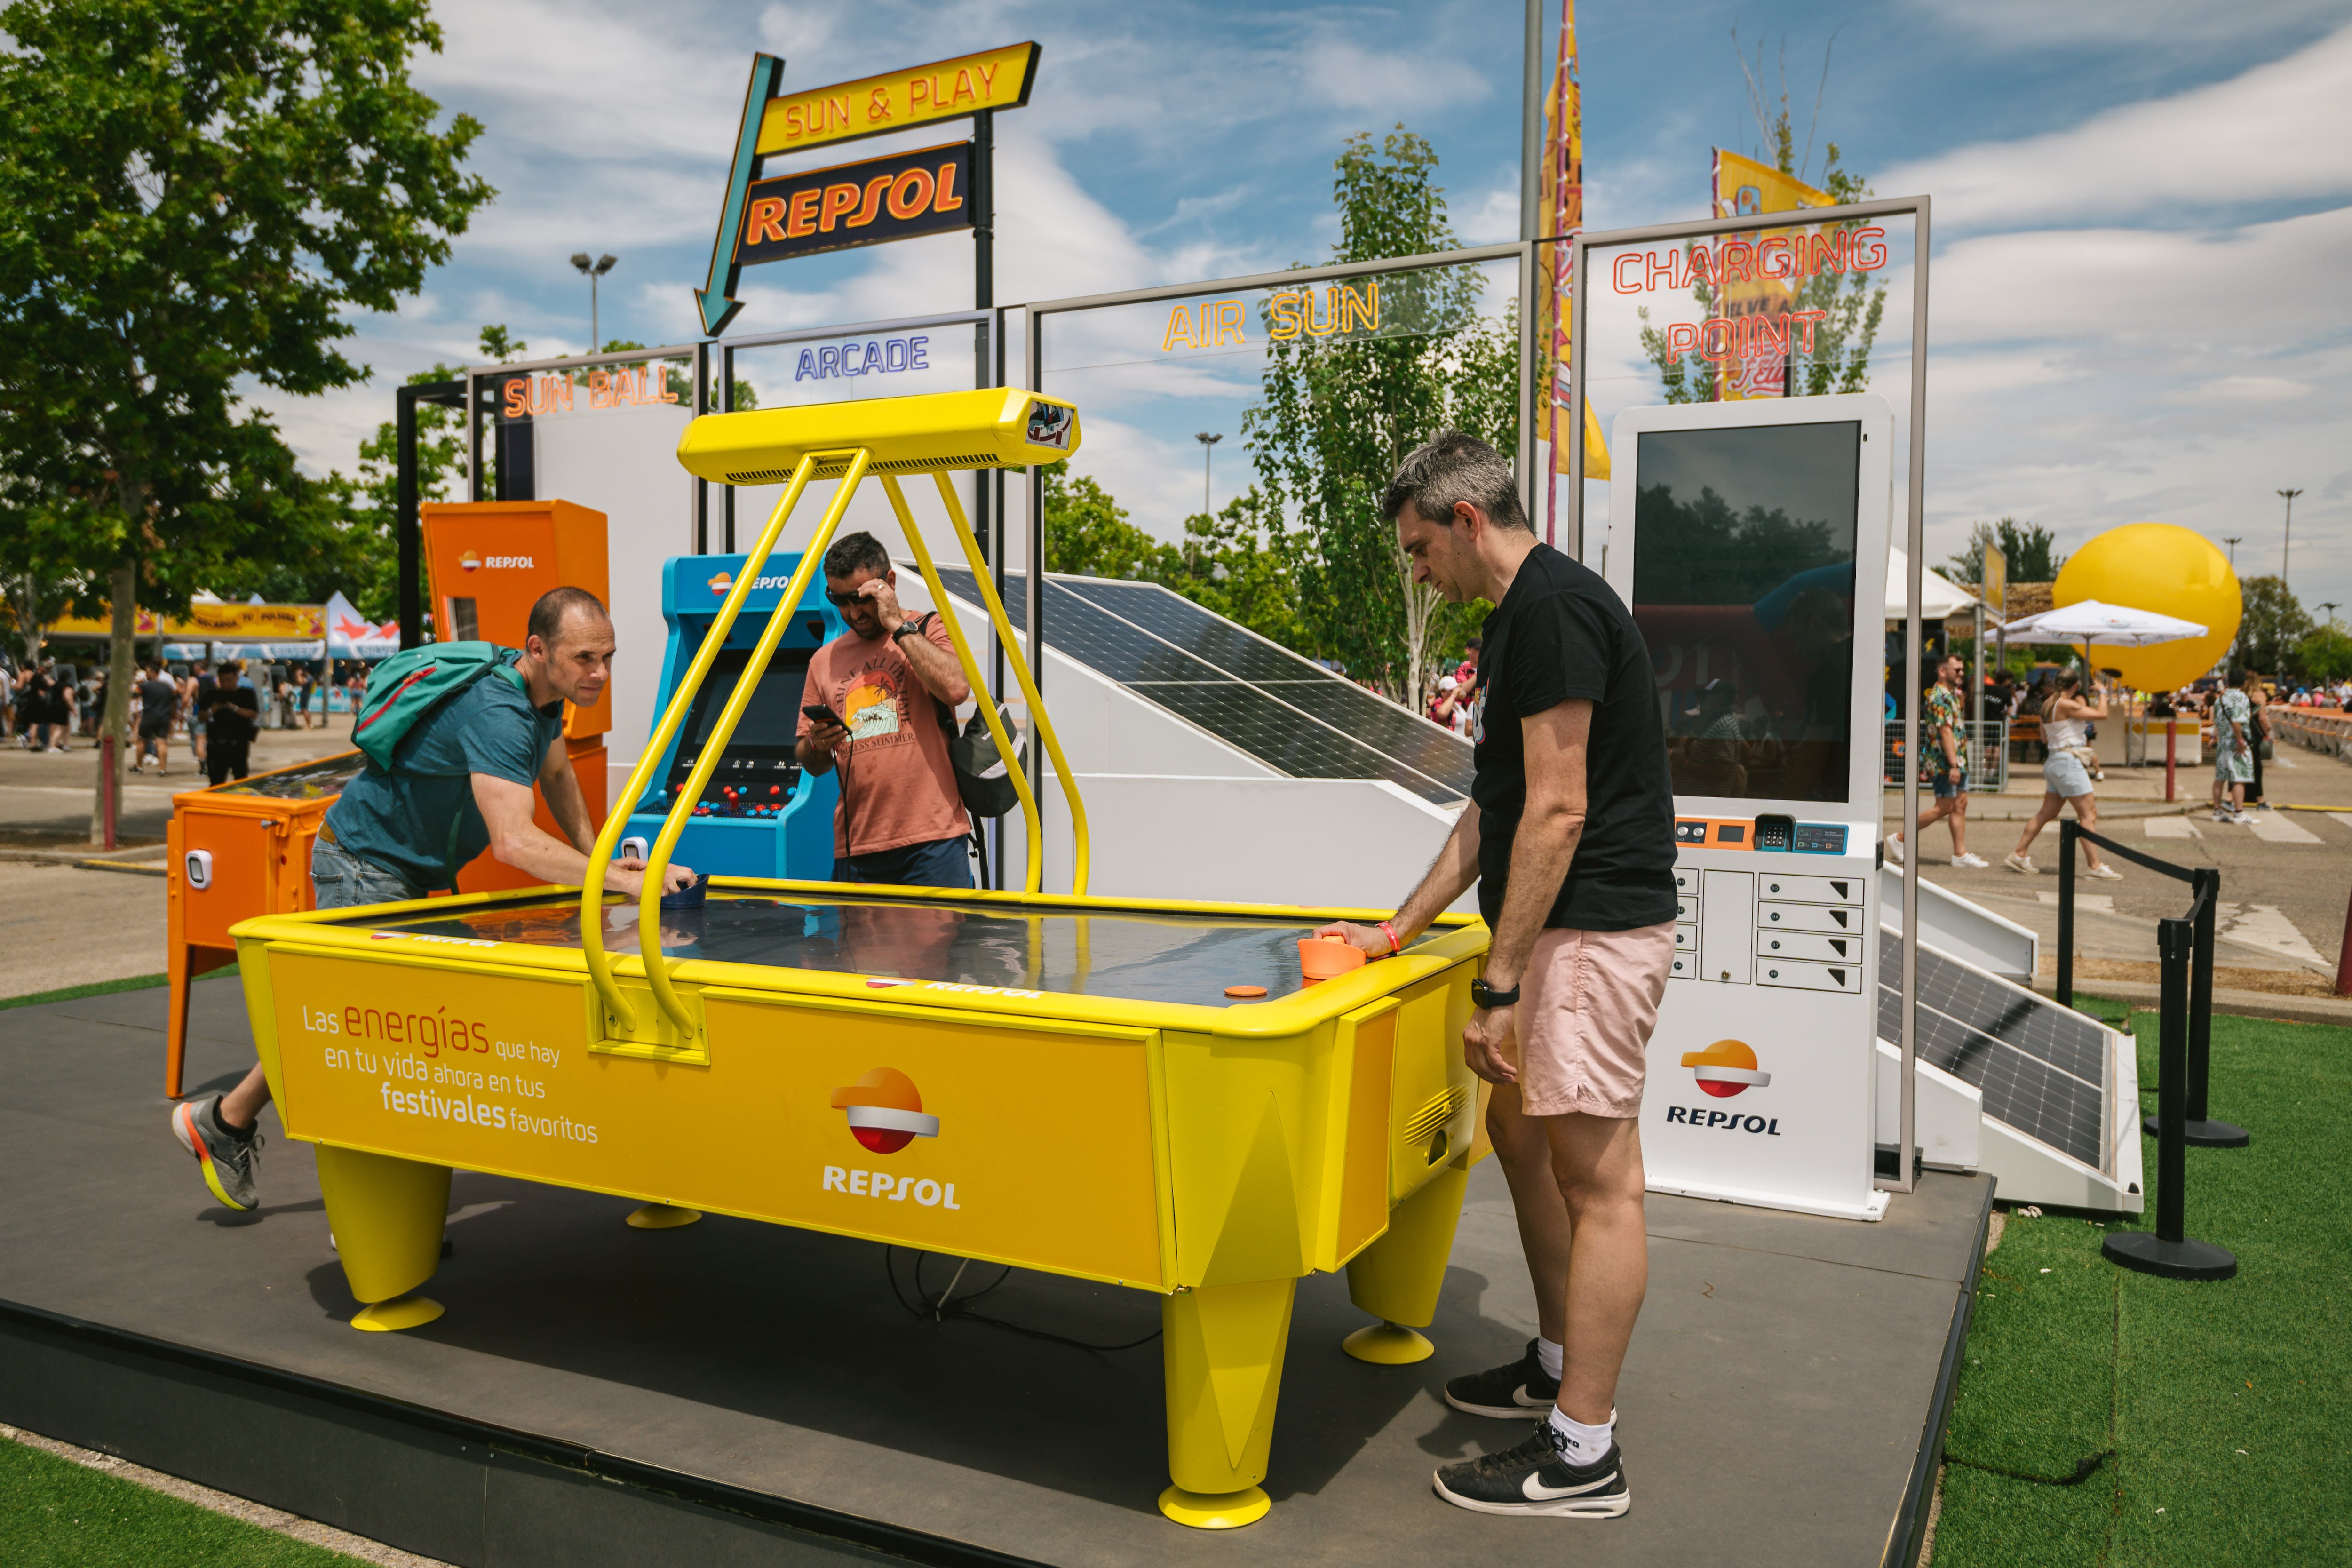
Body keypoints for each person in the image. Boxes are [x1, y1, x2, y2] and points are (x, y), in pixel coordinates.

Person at [1316, 431, 1673, 1520]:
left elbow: (1561, 810)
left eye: (1421, 549)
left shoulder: (1554, 611)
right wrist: (1394, 928)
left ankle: (1582, 1455)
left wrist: (1500, 981)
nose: (1417, 572)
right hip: (1555, 936)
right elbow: (1496, 809)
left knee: (1599, 1183)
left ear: (1467, 519)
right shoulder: (1517, 620)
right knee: (1519, 1135)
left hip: (1592, 934)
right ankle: (1560, 1361)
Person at [172, 588, 695, 1211]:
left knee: (398, 1016)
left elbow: (555, 773)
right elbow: (514, 841)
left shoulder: (542, 695)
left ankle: (225, 1121)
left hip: (408, 875)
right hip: (363, 864)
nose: (600, 673)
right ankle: (371, 1214)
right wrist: (623, 881)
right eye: (586, 657)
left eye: (607, 656)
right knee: (370, 1035)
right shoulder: (499, 708)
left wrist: (606, 858)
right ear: (538, 649)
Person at [794, 532, 975, 888]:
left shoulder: (928, 628)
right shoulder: (823, 661)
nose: (854, 612)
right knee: (860, 946)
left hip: (932, 841)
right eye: (840, 600)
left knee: (943, 945)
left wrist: (896, 624)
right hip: (858, 847)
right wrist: (817, 742)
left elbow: (956, 688)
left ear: (889, 583)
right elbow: (813, 763)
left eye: (863, 598)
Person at [2003, 671, 2121, 880]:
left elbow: (2044, 738)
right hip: (2068, 762)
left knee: (2046, 813)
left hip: (2055, 760)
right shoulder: (2065, 704)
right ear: (2075, 686)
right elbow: (2102, 714)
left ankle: (2018, 853)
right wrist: (2102, 691)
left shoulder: (2048, 703)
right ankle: (2095, 866)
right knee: (2088, 814)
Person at [1888, 653, 1986, 868]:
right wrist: (1953, 765)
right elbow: (1945, 732)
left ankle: (1960, 855)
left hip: (1956, 760)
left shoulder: (1951, 695)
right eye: (1957, 670)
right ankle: (1900, 838)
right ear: (1943, 672)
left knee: (1960, 803)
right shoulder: (1940, 697)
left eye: (1962, 670)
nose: (1961, 673)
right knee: (1943, 807)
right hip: (1945, 762)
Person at [200, 660, 261, 786]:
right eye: (222, 680)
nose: (226, 684)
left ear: (237, 678)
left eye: (229, 680)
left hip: (238, 744)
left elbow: (253, 714)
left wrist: (235, 708)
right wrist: (213, 710)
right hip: (216, 746)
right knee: (216, 782)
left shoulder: (246, 694)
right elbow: (201, 716)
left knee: (241, 780)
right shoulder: (213, 694)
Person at [2210, 670, 2259, 824]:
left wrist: (2214, 739)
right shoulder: (2241, 697)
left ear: (2228, 682)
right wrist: (2240, 742)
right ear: (2244, 682)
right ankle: (2239, 814)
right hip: (2235, 743)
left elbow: (2218, 722)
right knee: (2239, 778)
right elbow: (2236, 722)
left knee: (2220, 778)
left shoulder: (2220, 698)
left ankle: (2217, 811)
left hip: (2223, 743)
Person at [131, 660, 178, 774]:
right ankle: (162, 769)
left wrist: (136, 685)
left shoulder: (145, 686)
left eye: (148, 672)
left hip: (149, 717)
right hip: (164, 717)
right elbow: (175, 700)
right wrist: (173, 715)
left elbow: (133, 695)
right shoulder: (167, 687)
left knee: (142, 741)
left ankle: (139, 767)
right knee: (162, 742)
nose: (146, 674)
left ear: (153, 672)